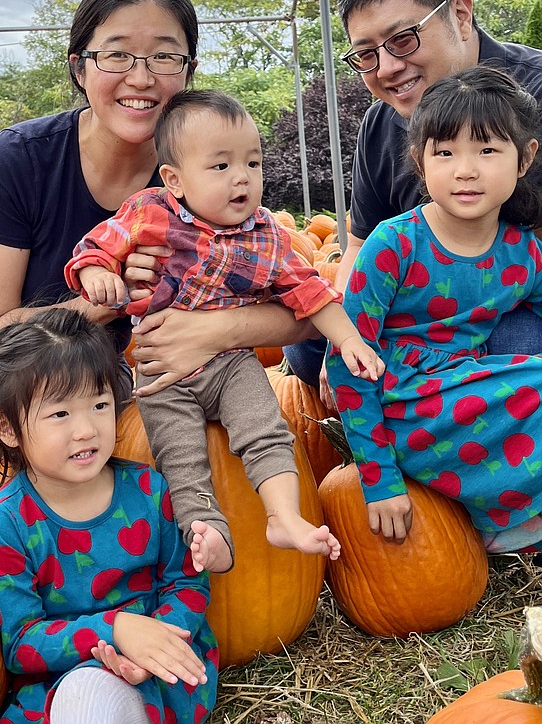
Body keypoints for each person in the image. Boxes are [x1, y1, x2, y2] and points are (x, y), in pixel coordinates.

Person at [0, 0, 313, 493]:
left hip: (95, 380)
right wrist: (108, 300)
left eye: (165, 56)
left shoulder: (201, 177)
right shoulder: (19, 161)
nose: (142, 77)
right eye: (117, 54)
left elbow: (304, 310)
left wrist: (216, 332)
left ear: (188, 71)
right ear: (80, 68)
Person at [65, 89, 383, 573]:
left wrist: (349, 340)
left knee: (266, 430)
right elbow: (96, 248)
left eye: (252, 164)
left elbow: (312, 292)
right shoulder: (150, 212)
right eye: (221, 167)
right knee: (180, 454)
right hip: (160, 372)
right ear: (174, 180)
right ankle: (205, 529)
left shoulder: (268, 236)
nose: (242, 178)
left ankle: (283, 517)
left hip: (231, 364)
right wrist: (96, 275)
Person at [283, 0, 542, 396]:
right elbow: (361, 242)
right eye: (366, 54)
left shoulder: (530, 97)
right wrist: (347, 335)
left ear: (460, 16)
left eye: (403, 40)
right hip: (412, 300)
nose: (386, 68)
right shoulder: (380, 123)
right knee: (305, 347)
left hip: (500, 301)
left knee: (512, 341)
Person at [325, 65, 542, 553]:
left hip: (467, 391)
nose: (465, 169)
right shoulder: (395, 243)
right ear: (420, 162)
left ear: (525, 158)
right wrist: (377, 478)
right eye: (445, 153)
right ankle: (501, 522)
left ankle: (509, 516)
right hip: (401, 406)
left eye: (487, 150)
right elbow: (348, 360)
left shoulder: (522, 251)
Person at [0, 307, 219, 724]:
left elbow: (188, 582)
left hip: (160, 665)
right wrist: (114, 630)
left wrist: (159, 642)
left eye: (99, 405)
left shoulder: (149, 491)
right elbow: (21, 644)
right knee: (84, 700)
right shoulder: (6, 524)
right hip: (65, 672)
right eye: (60, 413)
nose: (86, 429)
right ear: (7, 427)